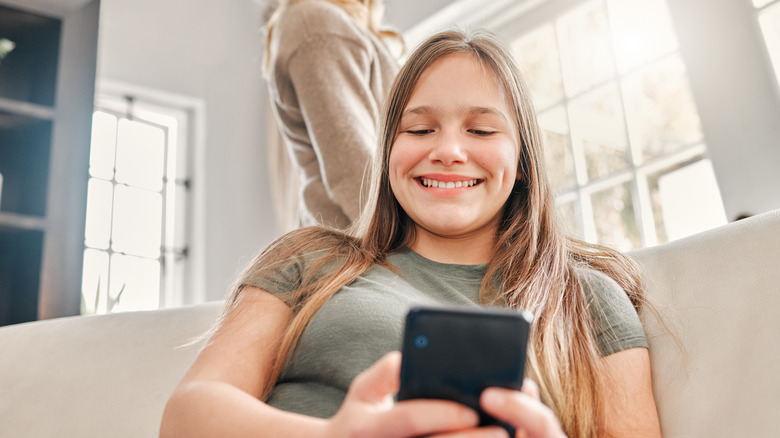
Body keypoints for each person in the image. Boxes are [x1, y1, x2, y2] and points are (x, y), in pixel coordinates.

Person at [161, 29, 662, 437]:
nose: (447, 150)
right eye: (419, 130)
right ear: (387, 155)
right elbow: (187, 416)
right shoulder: (310, 260)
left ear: (524, 161)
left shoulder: (585, 297)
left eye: (482, 131)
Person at [264, 0, 401, 230]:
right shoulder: (316, 24)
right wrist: (407, 248)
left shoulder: (329, 24)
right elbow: (352, 164)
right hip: (359, 245)